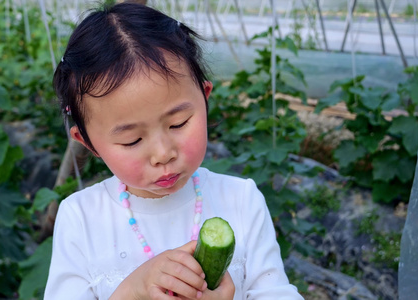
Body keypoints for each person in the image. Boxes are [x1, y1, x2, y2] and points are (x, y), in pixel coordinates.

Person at [45, 2, 304, 299]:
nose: (163, 153)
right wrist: (132, 291)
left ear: (204, 99)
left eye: (179, 123)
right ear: (89, 143)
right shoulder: (81, 219)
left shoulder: (242, 201)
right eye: (132, 141)